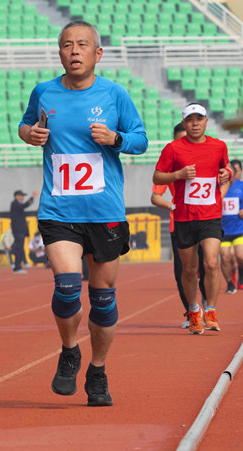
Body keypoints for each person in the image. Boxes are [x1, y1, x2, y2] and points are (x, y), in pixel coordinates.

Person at [19, 20, 148, 407]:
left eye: (82, 44)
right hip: (59, 209)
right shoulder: (44, 92)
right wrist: (29, 134)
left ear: (97, 53)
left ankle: (98, 370)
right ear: (59, 53)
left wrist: (116, 138)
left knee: (103, 298)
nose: (74, 51)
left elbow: (141, 139)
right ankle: (70, 349)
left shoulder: (114, 94)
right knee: (67, 285)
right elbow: (26, 125)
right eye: (66, 45)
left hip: (104, 211)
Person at [153, 103, 232, 335]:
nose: (195, 124)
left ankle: (211, 310)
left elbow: (226, 170)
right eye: (190, 120)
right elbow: (157, 177)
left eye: (199, 119)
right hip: (184, 217)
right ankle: (193, 310)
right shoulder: (172, 149)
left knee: (211, 263)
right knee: (188, 270)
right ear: (184, 123)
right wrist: (178, 174)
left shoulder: (219, 146)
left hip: (210, 215)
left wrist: (227, 174)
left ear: (206, 121)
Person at [150, 122, 207, 328]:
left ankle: (208, 307)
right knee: (183, 272)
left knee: (207, 268)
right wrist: (171, 205)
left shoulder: (205, 160)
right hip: (180, 224)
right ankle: (192, 313)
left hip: (204, 222)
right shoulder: (169, 168)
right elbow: (155, 196)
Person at [220, 159, 243, 293]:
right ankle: (230, 283)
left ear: (234, 174)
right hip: (223, 230)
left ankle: (242, 271)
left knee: (241, 257)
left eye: (230, 173)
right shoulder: (217, 187)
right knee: (225, 257)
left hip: (240, 229)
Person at [10, 189, 39, 273]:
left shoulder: (17, 204)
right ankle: (17, 267)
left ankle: (19, 265)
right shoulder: (15, 203)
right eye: (21, 196)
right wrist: (32, 197)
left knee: (20, 248)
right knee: (19, 248)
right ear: (16, 196)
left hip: (21, 230)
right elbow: (25, 205)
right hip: (18, 230)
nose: (22, 197)